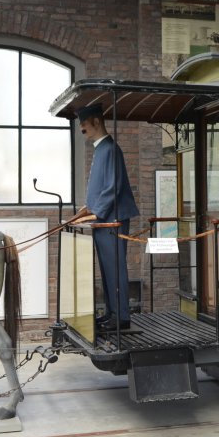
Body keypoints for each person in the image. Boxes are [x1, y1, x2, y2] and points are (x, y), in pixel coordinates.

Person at [76, 104, 139, 332]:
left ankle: (121, 317)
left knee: (115, 267)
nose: (81, 126)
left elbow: (113, 187)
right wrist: (88, 210)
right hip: (103, 219)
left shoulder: (110, 149)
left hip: (112, 219)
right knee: (106, 268)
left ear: (96, 122)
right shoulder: (101, 149)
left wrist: (95, 212)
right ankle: (112, 313)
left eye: (84, 122)